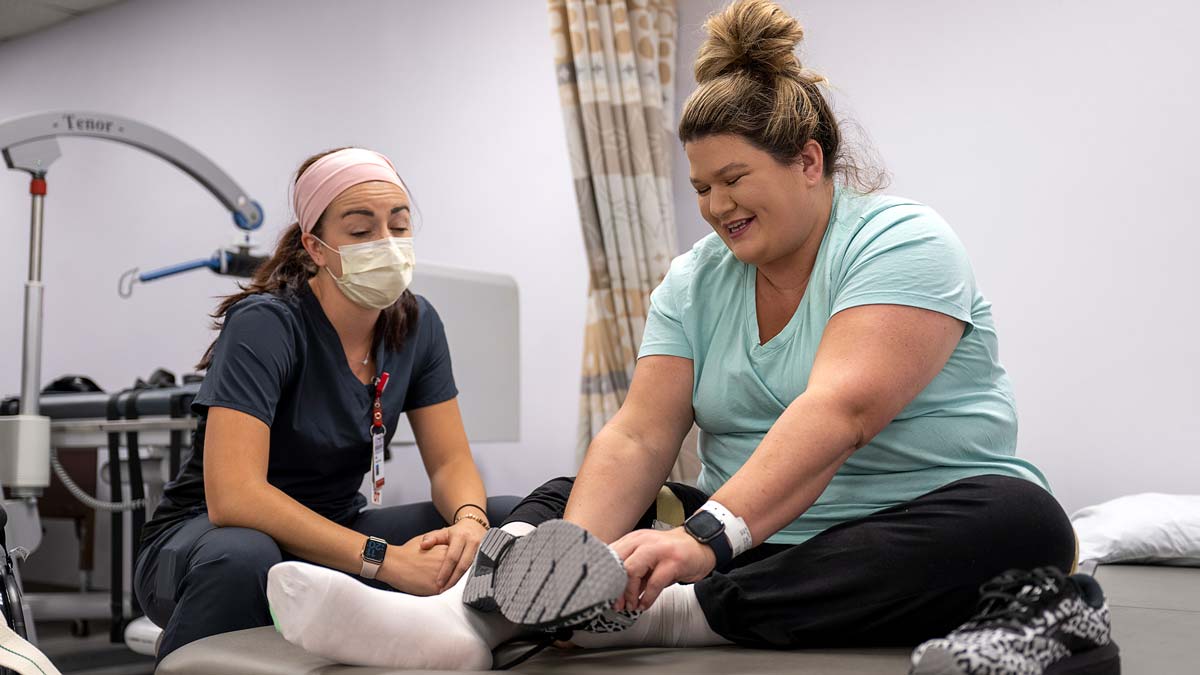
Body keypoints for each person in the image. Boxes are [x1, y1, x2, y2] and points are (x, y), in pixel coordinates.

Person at [262, 1, 1075, 670]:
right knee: (561, 492)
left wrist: (699, 544)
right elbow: (643, 430)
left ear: (809, 162)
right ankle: (465, 621)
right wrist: (577, 556)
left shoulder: (901, 242)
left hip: (897, 531)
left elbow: (841, 411)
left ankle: (676, 617)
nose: (716, 205)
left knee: (1024, 523)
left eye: (733, 180)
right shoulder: (696, 277)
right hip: (759, 535)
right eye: (701, 187)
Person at [133, 147, 519, 660]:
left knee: (508, 518)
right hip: (209, 539)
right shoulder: (266, 324)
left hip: (336, 535)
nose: (385, 243)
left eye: (399, 226)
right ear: (316, 248)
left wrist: (470, 524)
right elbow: (235, 497)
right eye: (361, 232)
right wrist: (384, 560)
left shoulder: (418, 325)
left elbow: (450, 463)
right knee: (247, 555)